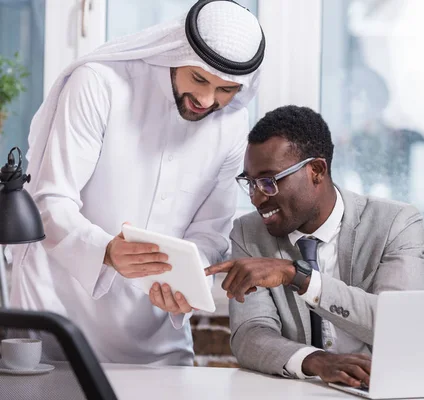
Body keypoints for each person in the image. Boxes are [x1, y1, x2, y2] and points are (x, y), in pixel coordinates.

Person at [9, 0, 265, 366]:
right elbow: (49, 202)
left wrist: (187, 284)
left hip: (159, 338)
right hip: (59, 321)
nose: (208, 99)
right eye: (199, 79)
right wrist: (106, 250)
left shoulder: (233, 125)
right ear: (177, 50)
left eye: (227, 90)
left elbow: (210, 233)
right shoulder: (100, 84)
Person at [205, 105, 424, 387]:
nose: (256, 199)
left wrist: (297, 276)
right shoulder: (248, 233)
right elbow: (250, 334)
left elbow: (402, 326)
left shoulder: (395, 222)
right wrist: (316, 361)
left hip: (382, 389)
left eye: (268, 182)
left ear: (317, 171)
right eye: (250, 183)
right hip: (303, 391)